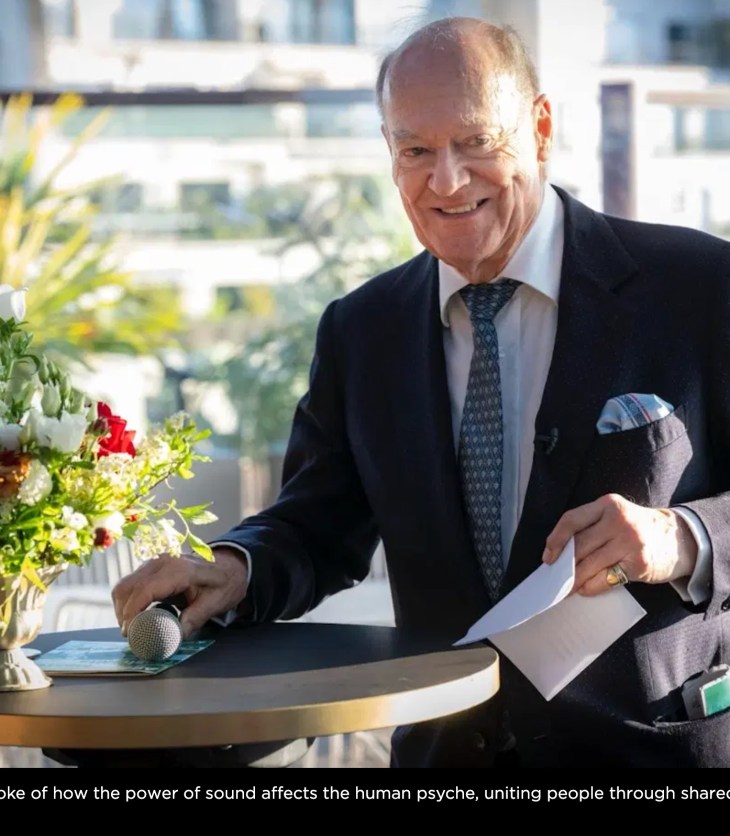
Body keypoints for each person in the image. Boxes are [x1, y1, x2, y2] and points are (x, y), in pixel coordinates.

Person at [113, 17, 730, 768]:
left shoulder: (700, 287)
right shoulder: (361, 329)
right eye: (415, 150)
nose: (445, 179)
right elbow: (316, 527)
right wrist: (233, 567)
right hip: (445, 759)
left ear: (539, 128)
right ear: (389, 152)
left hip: (654, 756)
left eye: (476, 142)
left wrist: (684, 538)